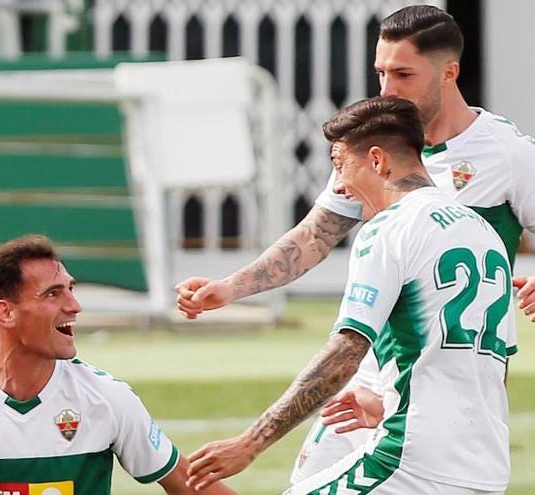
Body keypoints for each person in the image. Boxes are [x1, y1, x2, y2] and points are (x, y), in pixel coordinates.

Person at [176, 4, 535, 484]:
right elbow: (315, 235)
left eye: (402, 74)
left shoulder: (509, 154)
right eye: (380, 72)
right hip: (375, 367)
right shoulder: (373, 146)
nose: (387, 88)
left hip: (446, 373)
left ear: (449, 73)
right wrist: (230, 289)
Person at [186, 96, 517, 494]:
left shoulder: (389, 229)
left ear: (377, 160)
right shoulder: (483, 234)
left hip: (412, 462)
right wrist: (391, 404)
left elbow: (346, 351)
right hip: (484, 468)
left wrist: (250, 444)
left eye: (341, 165)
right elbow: (494, 367)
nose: (341, 185)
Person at [0, 235, 235, 495]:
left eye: (70, 290)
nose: (75, 306)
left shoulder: (106, 396)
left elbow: (184, 483)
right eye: (53, 294)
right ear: (5, 313)